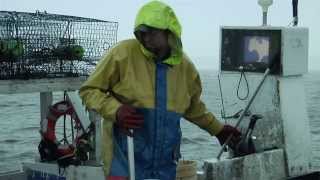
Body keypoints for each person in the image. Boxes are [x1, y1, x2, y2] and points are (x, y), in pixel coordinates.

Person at [79, 1, 241, 179]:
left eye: (152, 32)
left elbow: (193, 107)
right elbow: (89, 90)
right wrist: (116, 110)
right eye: (142, 33)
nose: (146, 38)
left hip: (165, 167)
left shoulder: (186, 68)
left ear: (169, 32)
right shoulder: (122, 53)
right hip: (125, 163)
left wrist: (218, 129)